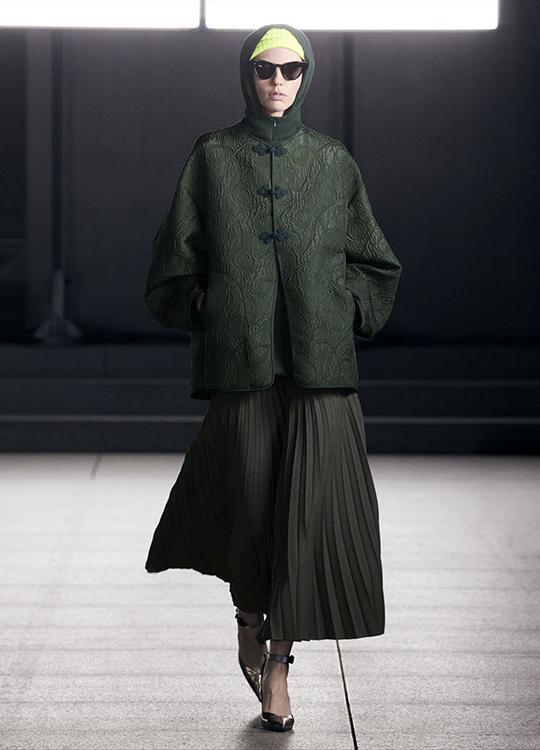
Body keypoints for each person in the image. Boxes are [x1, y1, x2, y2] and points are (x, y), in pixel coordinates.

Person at [144, 23, 402, 732]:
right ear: (248, 74)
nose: (279, 81)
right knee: (252, 509)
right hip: (244, 367)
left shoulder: (332, 160)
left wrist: (344, 308)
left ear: (306, 76)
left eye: (292, 70)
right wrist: (205, 302)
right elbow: (172, 258)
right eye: (266, 69)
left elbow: (375, 261)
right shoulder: (213, 156)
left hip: (321, 373)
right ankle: (249, 619)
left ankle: (281, 668)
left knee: (307, 522)